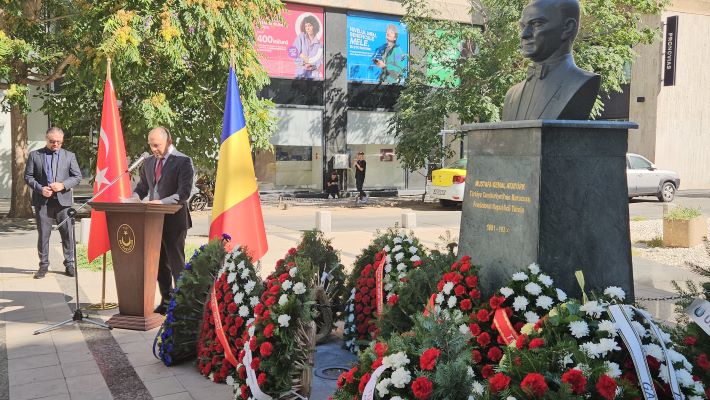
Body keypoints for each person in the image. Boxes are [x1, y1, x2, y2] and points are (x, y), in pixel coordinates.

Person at [131, 127, 195, 315]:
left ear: (169, 141)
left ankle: (182, 304)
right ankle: (166, 300)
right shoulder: (149, 162)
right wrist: (134, 197)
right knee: (159, 263)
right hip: (153, 222)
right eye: (151, 145)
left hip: (175, 220)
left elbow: (184, 193)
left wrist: (161, 202)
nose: (153, 150)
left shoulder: (183, 161)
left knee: (176, 263)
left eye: (157, 145)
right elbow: (143, 187)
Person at [502, 0, 600, 121]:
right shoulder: (512, 95)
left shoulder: (580, 82)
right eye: (522, 26)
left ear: (567, 28)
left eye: (537, 24)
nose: (524, 34)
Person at [24, 127, 82, 279]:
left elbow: (77, 177)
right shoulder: (35, 155)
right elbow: (28, 177)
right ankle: (43, 265)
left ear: (62, 141)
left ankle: (69, 264)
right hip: (43, 202)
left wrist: (63, 185)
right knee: (44, 235)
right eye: (52, 141)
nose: (55, 144)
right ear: (46, 139)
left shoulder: (69, 156)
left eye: (58, 142)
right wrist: (40, 189)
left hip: (63, 202)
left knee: (67, 234)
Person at [293, 15, 323, 79]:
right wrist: (303, 62)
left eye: (309, 25)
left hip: (313, 76)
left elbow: (320, 61)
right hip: (300, 75)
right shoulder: (301, 37)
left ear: (314, 26)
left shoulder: (320, 45)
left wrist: (313, 66)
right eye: (306, 26)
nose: (307, 28)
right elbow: (293, 52)